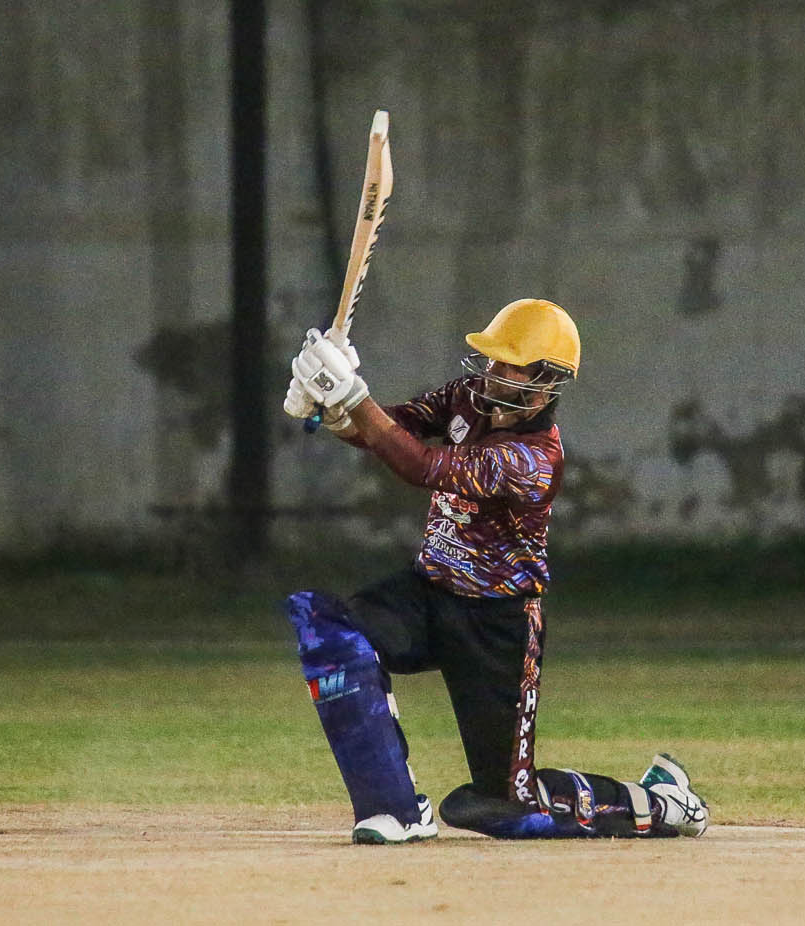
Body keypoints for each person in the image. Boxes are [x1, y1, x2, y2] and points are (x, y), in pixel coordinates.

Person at [279, 297, 708, 843]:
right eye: (493, 358)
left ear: (545, 383)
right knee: (331, 633)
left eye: (510, 364)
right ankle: (395, 809)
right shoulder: (469, 397)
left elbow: (422, 464)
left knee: (504, 803)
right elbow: (394, 428)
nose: (493, 372)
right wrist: (332, 412)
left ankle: (656, 802)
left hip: (496, 626)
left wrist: (351, 395)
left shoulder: (533, 459)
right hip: (428, 592)